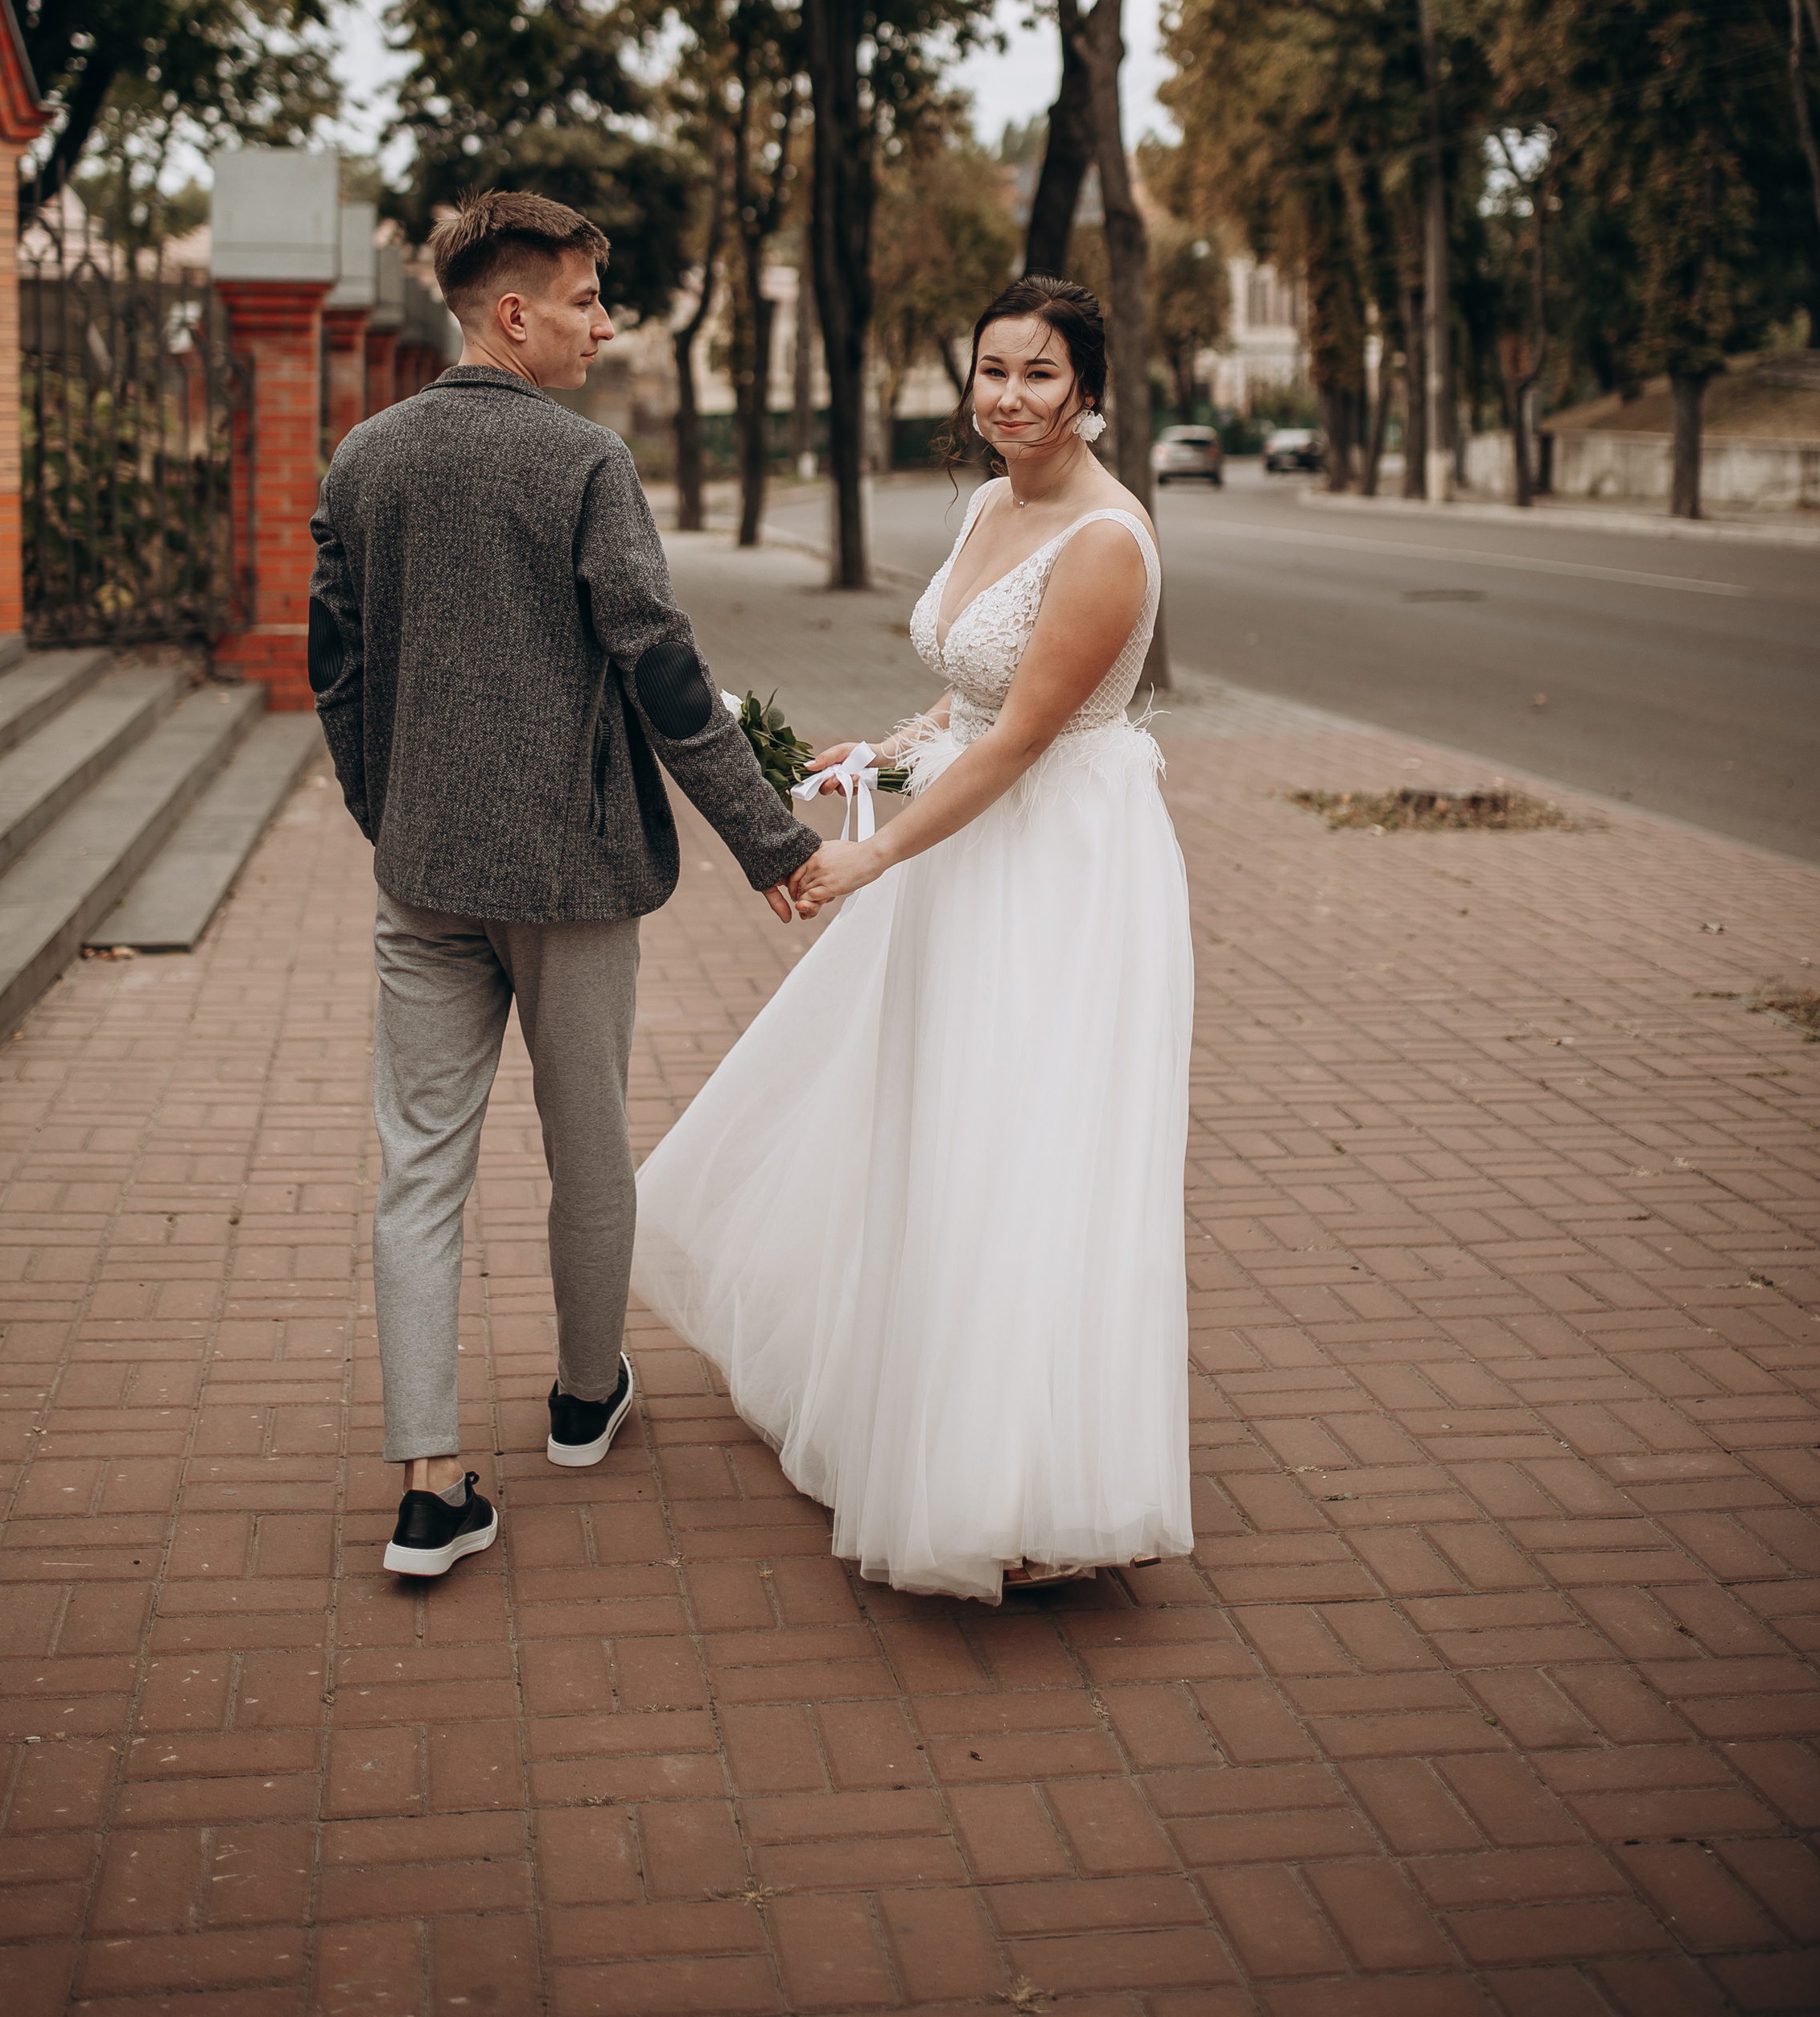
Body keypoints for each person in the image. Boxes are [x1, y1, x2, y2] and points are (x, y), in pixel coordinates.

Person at [632, 276, 1192, 1601]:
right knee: (941, 1122)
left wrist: (874, 851)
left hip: (1055, 866)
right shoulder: (995, 503)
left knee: (1024, 1140)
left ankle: (1025, 1481)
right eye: (993, 370)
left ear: (1089, 387)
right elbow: (967, 699)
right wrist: (876, 757)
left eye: (1040, 374)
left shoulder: (1107, 539)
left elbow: (1024, 735)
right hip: (969, 840)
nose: (1010, 397)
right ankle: (933, 1424)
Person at [307, 191, 820, 1583]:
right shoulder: (585, 462)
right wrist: (772, 840)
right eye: (588, 300)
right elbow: (660, 668)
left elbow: (335, 664)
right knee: (588, 1143)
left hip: (425, 876)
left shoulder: (365, 457)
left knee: (419, 1164)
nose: (605, 323)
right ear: (513, 312)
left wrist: (388, 809)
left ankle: (428, 1486)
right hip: (575, 875)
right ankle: (587, 1400)